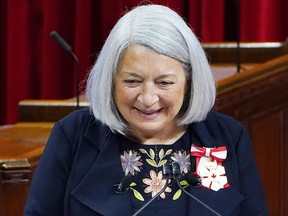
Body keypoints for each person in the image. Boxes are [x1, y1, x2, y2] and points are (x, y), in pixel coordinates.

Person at [24, 4, 268, 216]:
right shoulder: (73, 135)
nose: (148, 98)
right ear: (111, 80)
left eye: (164, 82)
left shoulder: (227, 137)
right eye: (132, 81)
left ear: (189, 81)